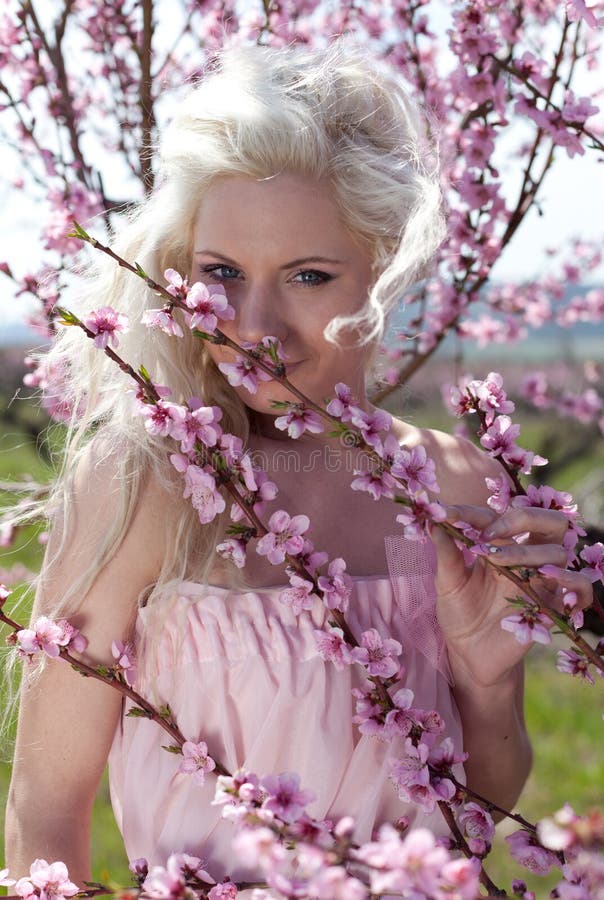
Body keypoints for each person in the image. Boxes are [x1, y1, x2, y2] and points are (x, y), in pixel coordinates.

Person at [4, 39, 591, 892]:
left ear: (381, 268)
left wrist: (488, 680)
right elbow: (46, 805)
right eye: (221, 274)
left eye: (309, 275)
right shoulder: (145, 483)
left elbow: (476, 811)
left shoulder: (456, 490)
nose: (256, 326)